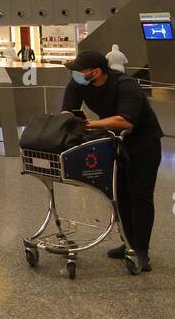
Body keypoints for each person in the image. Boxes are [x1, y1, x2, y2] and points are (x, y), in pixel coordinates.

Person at [61, 50, 162, 271]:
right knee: (121, 194)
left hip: (144, 143)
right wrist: (68, 120)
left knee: (140, 195)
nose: (75, 74)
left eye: (79, 70)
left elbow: (125, 121)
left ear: (96, 72)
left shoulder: (126, 85)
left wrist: (89, 125)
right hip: (116, 141)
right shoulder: (79, 83)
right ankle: (128, 242)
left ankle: (141, 250)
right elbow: (67, 111)